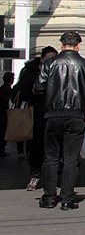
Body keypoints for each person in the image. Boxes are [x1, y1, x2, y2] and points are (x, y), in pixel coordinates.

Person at [34, 31, 85, 210]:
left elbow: (38, 88)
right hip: (76, 116)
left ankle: (48, 197)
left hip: (53, 115)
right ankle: (67, 198)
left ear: (62, 44)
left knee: (51, 157)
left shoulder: (49, 64)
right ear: (78, 45)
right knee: (71, 158)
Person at [13, 45, 57, 188]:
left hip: (55, 115)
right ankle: (35, 175)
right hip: (36, 115)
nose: (51, 62)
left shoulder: (59, 71)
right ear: (42, 59)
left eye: (54, 59)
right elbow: (19, 91)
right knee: (36, 148)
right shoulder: (30, 71)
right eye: (49, 59)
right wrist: (36, 90)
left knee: (53, 149)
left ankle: (52, 178)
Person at [0, 71, 14, 157]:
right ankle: (2, 151)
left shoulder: (3, 88)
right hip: (3, 113)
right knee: (3, 131)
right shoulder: (7, 89)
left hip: (2, 112)